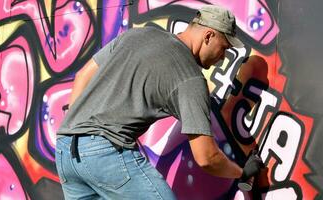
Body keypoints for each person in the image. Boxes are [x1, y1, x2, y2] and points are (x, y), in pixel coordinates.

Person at [55, 5, 264, 199]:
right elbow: (206, 158)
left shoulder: (138, 34)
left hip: (66, 150)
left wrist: (78, 128)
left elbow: (83, 75)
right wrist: (241, 172)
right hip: (106, 153)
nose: (222, 58)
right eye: (224, 48)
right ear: (209, 36)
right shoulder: (189, 77)